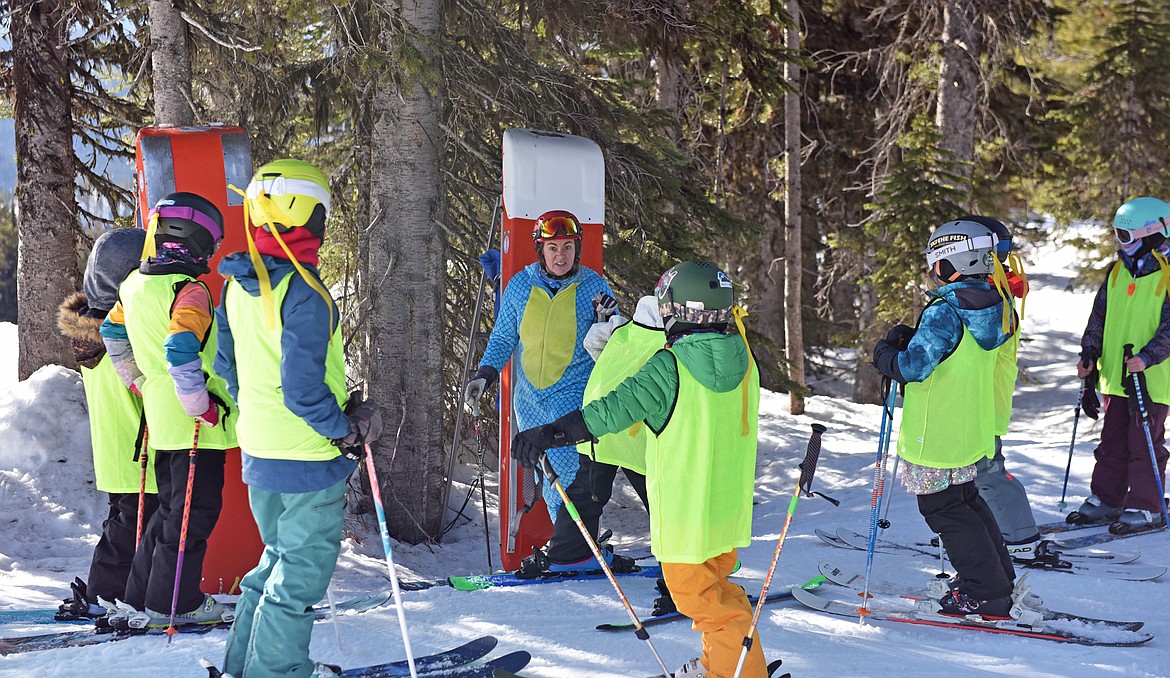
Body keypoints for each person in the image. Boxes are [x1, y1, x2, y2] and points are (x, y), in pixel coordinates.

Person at [511, 261, 764, 678]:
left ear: (680, 311)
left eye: (666, 307)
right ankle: (728, 664)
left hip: (686, 513)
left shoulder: (672, 365)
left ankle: (733, 674)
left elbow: (612, 410)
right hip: (725, 511)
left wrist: (548, 434)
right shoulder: (744, 360)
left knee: (700, 601)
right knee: (720, 592)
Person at [215, 159, 383, 678]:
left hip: (261, 452)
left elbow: (229, 368)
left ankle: (246, 665)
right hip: (309, 456)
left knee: (274, 563)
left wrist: (263, 415)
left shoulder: (237, 286)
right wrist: (347, 429)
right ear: (309, 216)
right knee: (300, 576)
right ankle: (279, 672)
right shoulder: (304, 292)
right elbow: (304, 391)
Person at [463, 210, 634, 574]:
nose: (561, 255)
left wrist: (609, 322)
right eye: (553, 247)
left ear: (577, 249)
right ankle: (574, 551)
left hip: (573, 397)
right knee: (552, 477)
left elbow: (618, 345)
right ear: (541, 250)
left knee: (574, 476)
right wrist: (485, 375)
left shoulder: (595, 287)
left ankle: (573, 552)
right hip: (531, 402)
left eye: (568, 247)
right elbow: (504, 337)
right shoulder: (520, 287)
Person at [100, 192, 238, 627]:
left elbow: (112, 334)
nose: (212, 253)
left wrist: (141, 382)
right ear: (196, 238)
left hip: (162, 421)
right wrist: (202, 406)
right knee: (192, 516)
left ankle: (140, 598)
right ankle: (174, 604)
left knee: (168, 513)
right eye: (212, 242)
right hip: (195, 423)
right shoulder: (188, 289)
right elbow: (180, 348)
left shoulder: (135, 285)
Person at [871, 219, 1017, 619]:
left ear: (951, 263)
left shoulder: (946, 311)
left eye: (935, 262)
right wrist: (913, 334)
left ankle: (985, 592)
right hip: (969, 429)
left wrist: (884, 354)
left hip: (935, 434)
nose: (932, 271)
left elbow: (914, 367)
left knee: (945, 510)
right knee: (965, 501)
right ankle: (996, 580)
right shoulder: (998, 303)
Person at [55, 227, 159, 619]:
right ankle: (103, 594)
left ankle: (114, 591)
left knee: (125, 522)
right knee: (129, 528)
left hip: (118, 447)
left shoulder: (91, 331)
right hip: (137, 446)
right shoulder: (122, 333)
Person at [1071, 196, 1170, 533]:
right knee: (1111, 440)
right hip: (1117, 376)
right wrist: (1089, 353)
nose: (1120, 244)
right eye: (1117, 235)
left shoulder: (1168, 275)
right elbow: (1099, 317)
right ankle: (1108, 498)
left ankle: (1146, 505)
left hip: (1153, 378)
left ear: (1154, 233)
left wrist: (1147, 356)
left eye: (1126, 236)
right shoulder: (1116, 272)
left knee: (1143, 441)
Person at [960, 215, 1048, 562]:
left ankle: (1020, 537)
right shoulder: (994, 289)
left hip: (981, 400)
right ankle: (984, 530)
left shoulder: (992, 294)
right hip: (977, 398)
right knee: (971, 473)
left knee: (987, 471)